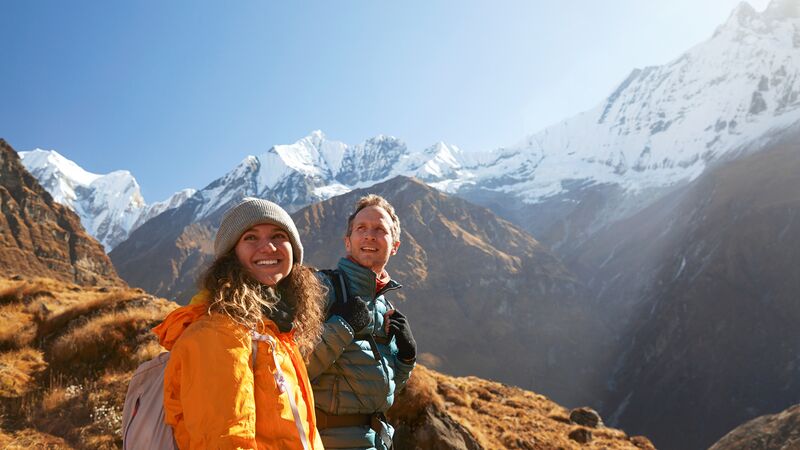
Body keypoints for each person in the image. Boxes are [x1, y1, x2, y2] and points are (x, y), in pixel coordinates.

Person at [153, 197, 325, 449]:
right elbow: (224, 440)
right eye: (250, 238)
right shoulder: (219, 333)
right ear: (231, 255)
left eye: (278, 235)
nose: (268, 247)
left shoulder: (275, 330)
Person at [308, 194, 417, 450]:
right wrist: (343, 326)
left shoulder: (385, 307)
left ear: (394, 246)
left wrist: (406, 359)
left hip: (378, 442)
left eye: (380, 230)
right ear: (348, 242)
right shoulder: (320, 289)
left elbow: (377, 392)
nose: (370, 236)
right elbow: (292, 370)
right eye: (361, 229)